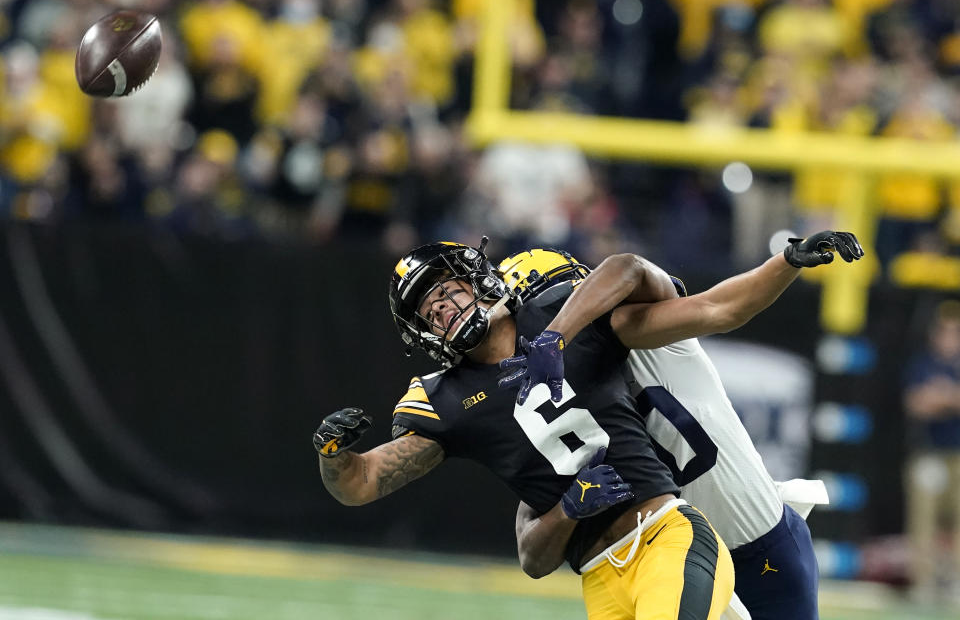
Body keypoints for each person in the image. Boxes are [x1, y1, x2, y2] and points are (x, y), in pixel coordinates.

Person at [313, 231, 862, 620]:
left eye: (568, 286)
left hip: (740, 534)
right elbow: (534, 519)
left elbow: (687, 295)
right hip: (616, 566)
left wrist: (786, 261)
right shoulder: (468, 396)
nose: (564, 294)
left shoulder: (601, 331)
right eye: (427, 310)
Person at [498, 247, 834, 620]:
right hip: (669, 561)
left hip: (755, 542)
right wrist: (566, 510)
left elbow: (692, 295)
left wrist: (785, 262)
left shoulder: (642, 325)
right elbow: (530, 547)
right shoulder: (551, 398)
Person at [903, 300, 960, 603]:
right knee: (923, 519)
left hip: (958, 453)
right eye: (945, 331)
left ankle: (955, 583)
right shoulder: (922, 364)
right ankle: (923, 584)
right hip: (927, 452)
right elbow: (915, 404)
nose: (950, 337)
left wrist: (943, 397)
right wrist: (946, 400)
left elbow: (933, 401)